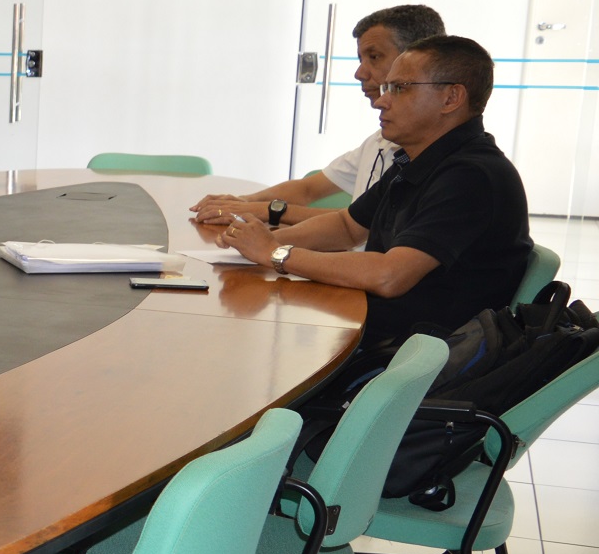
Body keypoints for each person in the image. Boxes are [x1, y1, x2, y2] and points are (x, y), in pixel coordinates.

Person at [220, 36, 530, 353]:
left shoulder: (470, 177)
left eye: (400, 88)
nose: (382, 101)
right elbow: (346, 226)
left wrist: (276, 255)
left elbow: (389, 275)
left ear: (451, 98)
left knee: (238, 342)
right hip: (379, 329)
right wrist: (255, 242)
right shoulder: (420, 159)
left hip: (414, 354)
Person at [192, 3, 446, 229]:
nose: (359, 73)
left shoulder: (441, 157)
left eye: (374, 57)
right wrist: (242, 202)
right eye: (361, 58)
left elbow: (356, 224)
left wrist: (265, 213)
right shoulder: (378, 141)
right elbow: (308, 189)